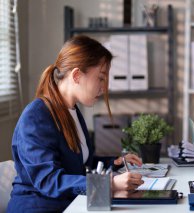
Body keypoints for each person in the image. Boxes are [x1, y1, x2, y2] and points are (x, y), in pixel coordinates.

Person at [7, 35, 144, 212]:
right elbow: (49, 180)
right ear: (77, 75)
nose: (104, 88)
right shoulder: (35, 116)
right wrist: (109, 183)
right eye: (101, 78)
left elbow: (77, 165)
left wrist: (115, 162)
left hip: (71, 205)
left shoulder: (72, 111)